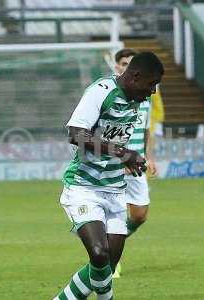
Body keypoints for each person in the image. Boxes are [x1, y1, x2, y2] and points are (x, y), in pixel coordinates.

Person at [53, 52, 164, 300]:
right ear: (135, 76)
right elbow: (76, 134)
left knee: (104, 268)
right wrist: (123, 153)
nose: (153, 91)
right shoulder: (101, 91)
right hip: (84, 187)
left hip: (115, 190)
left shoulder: (136, 100)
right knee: (99, 253)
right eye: (151, 83)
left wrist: (131, 158)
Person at [111, 49, 159, 278]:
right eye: (123, 63)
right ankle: (111, 260)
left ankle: (108, 243)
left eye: (130, 63)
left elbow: (147, 129)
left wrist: (149, 156)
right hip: (115, 165)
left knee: (140, 216)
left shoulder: (145, 97)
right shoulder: (110, 94)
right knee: (117, 216)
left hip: (137, 165)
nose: (126, 66)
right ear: (117, 66)